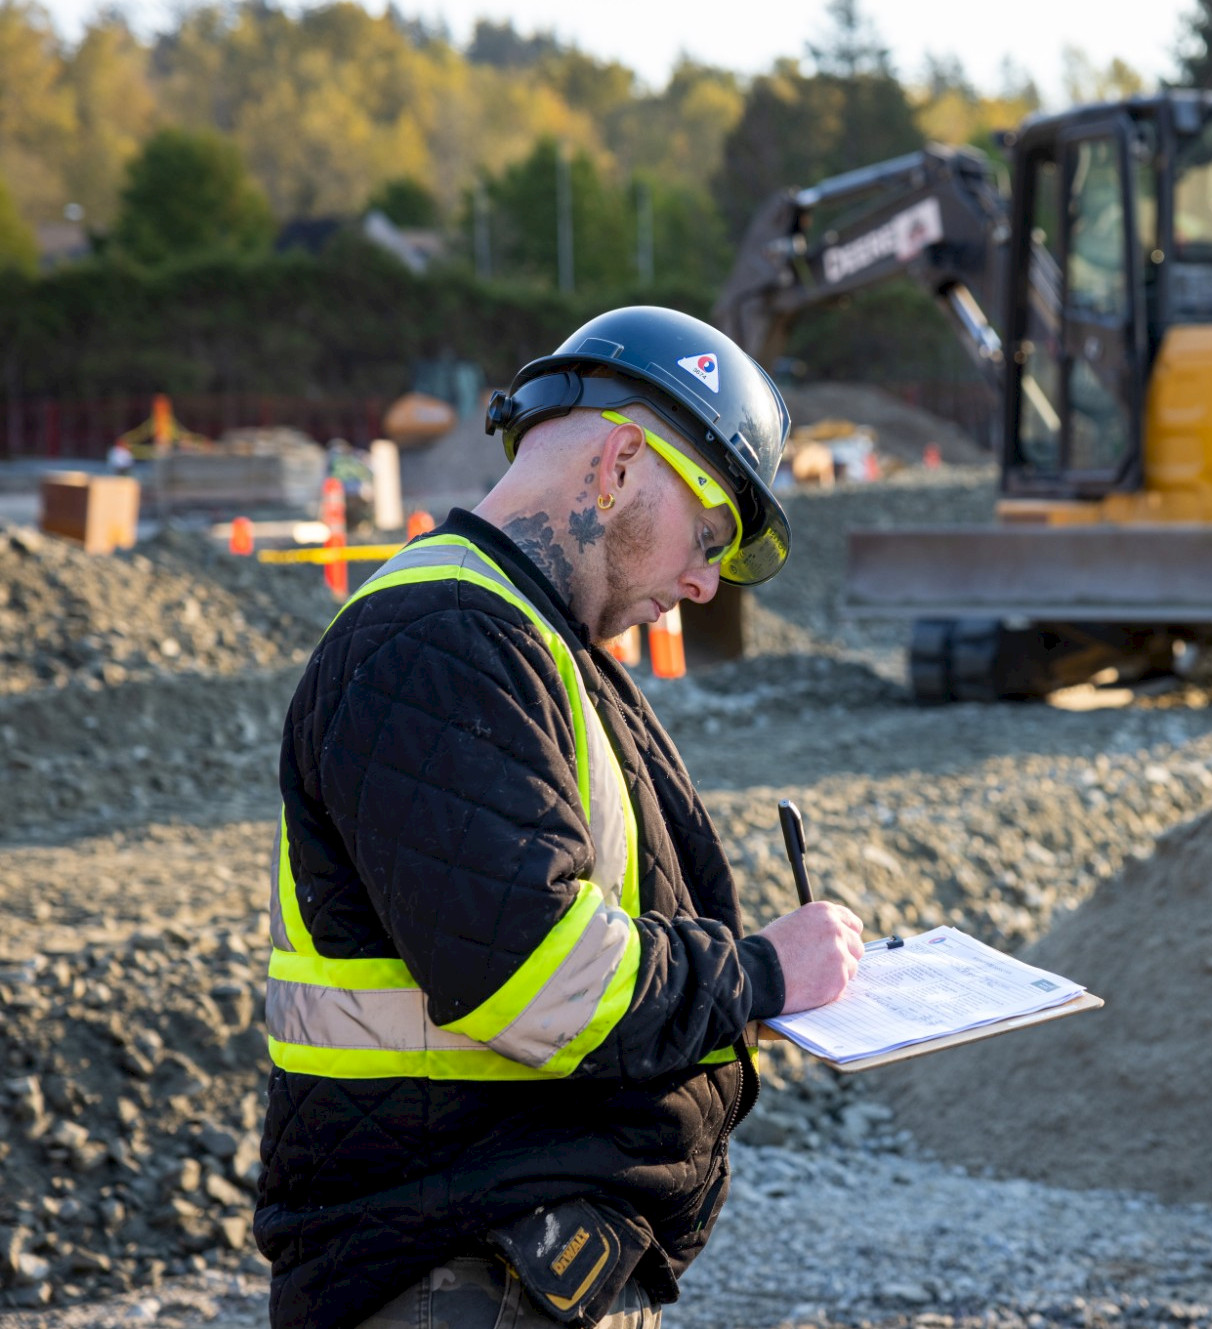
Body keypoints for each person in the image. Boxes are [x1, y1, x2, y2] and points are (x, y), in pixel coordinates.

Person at [254, 306, 866, 1329]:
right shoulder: (440, 640)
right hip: (456, 1267)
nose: (703, 582)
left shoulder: (531, 642)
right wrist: (758, 972)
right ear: (621, 463)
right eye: (708, 535)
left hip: (508, 1259)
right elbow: (532, 972)